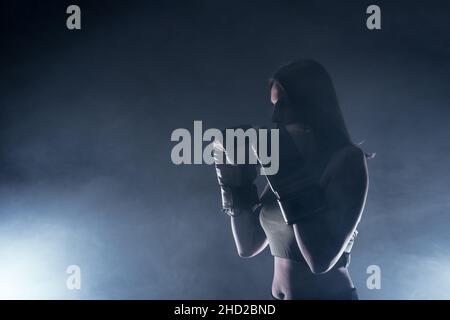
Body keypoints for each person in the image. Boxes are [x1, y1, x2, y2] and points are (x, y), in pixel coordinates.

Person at [213, 59, 371, 300]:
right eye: (274, 105)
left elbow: (320, 260)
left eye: (283, 104)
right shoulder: (287, 160)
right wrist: (234, 178)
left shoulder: (347, 160)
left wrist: (286, 171)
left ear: (312, 104)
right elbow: (248, 245)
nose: (275, 116)